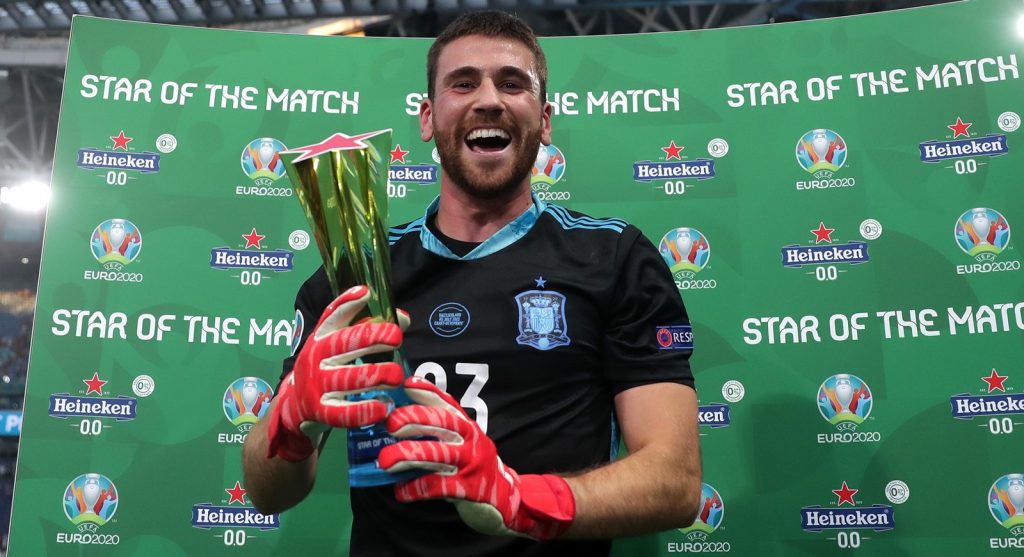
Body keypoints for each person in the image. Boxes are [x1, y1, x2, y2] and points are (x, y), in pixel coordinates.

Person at [242, 10, 701, 556]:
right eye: (463, 83)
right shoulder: (354, 276)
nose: (488, 100)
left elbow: (675, 481)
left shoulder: (614, 258)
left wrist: (516, 499)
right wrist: (294, 418)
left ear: (545, 121)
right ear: (428, 118)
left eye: (512, 83)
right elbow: (267, 493)